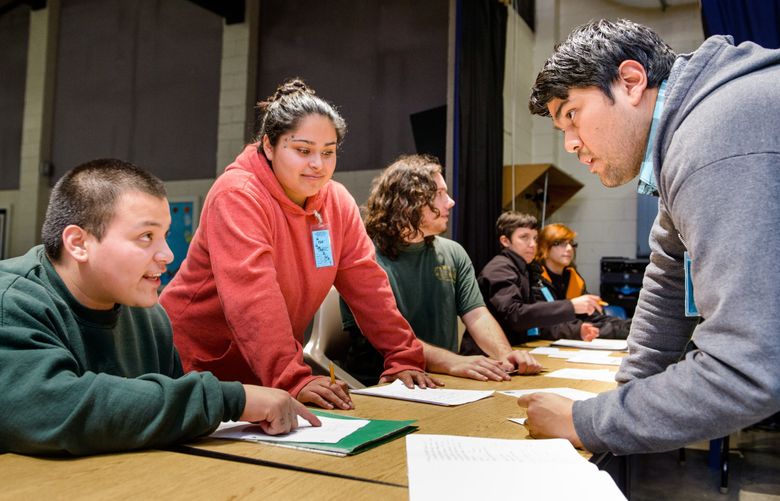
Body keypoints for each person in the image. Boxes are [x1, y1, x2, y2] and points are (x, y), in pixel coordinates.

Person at [519, 18, 780, 454]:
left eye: (571, 115)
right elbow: (668, 275)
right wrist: (623, 396)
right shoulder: (691, 132)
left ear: (631, 81)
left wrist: (588, 421)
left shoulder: (713, 138)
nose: (569, 144)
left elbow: (747, 366)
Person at [0, 159, 319, 456]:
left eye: (164, 236)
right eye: (145, 236)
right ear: (79, 244)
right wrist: (233, 399)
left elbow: (167, 417)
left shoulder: (149, 317)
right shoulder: (13, 302)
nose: (167, 254)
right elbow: (54, 409)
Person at [160, 79, 435, 411]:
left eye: (328, 152)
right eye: (303, 150)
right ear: (269, 146)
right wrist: (292, 378)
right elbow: (253, 295)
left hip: (263, 372)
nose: (317, 164)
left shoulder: (336, 201)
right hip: (194, 364)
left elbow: (368, 285)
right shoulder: (238, 193)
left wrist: (402, 355)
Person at [340, 155, 542, 386]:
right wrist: (453, 362)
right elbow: (385, 336)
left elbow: (476, 315)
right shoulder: (363, 258)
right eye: (439, 194)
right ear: (408, 201)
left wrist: (504, 355)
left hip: (443, 379)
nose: (451, 202)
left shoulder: (453, 252)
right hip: (383, 383)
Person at [478, 212, 604, 344]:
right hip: (487, 355)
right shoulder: (500, 269)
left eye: (535, 238)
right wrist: (571, 306)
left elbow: (536, 321)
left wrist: (575, 331)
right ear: (505, 241)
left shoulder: (527, 269)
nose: (532, 244)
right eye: (524, 237)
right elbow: (514, 316)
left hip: (517, 348)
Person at [535, 223, 630, 339]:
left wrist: (630, 327)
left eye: (571, 243)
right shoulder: (535, 280)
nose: (569, 248)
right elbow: (547, 326)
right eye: (560, 243)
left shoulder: (573, 278)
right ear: (544, 247)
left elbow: (593, 317)